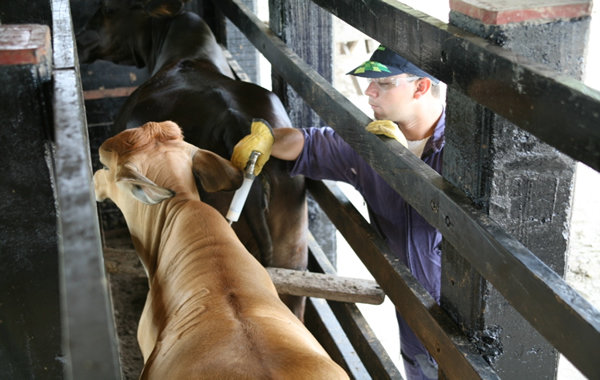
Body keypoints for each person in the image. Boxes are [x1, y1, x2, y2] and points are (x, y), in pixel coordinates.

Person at [232, 45, 445, 380]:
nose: (369, 92)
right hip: (413, 306)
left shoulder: (464, 154)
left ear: (420, 87)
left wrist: (406, 168)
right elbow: (310, 143)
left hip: (466, 311)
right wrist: (268, 139)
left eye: (384, 84)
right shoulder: (375, 143)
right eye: (368, 83)